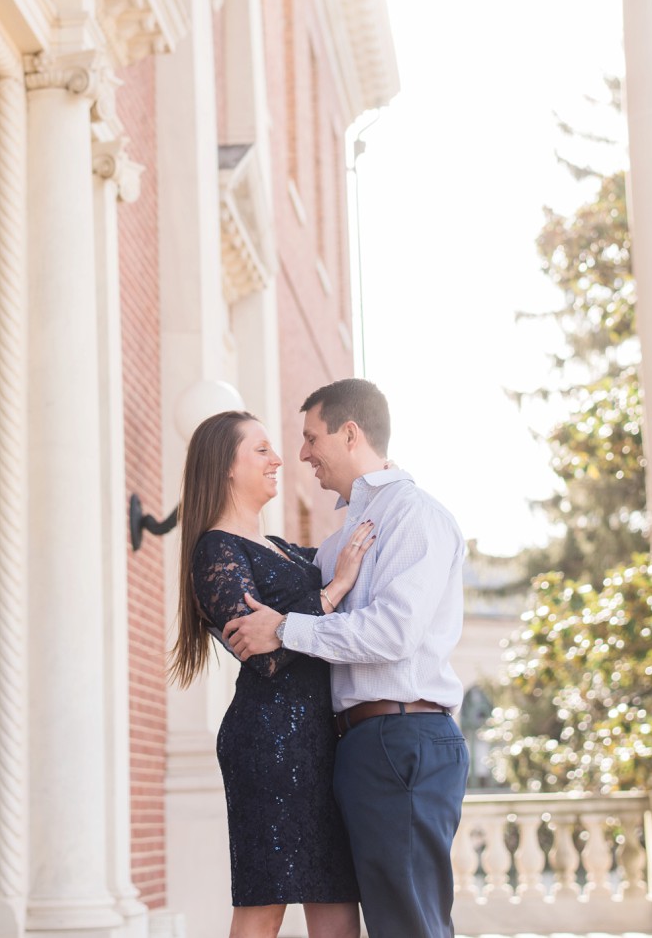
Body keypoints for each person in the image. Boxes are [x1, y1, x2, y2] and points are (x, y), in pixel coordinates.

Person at [224, 379, 468, 938]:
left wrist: (284, 629)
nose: (302, 454)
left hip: (403, 735)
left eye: (312, 437)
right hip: (363, 745)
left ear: (350, 433)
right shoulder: (341, 543)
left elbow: (392, 633)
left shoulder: (415, 516)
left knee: (409, 924)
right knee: (389, 922)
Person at [170, 409, 377, 938]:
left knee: (337, 904)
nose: (279, 459)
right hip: (269, 745)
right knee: (265, 905)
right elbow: (264, 654)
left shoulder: (282, 549)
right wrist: (333, 591)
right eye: (261, 449)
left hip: (323, 744)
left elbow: (332, 592)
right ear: (225, 467)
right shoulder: (216, 549)